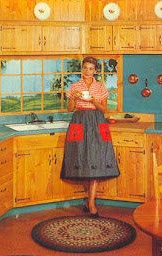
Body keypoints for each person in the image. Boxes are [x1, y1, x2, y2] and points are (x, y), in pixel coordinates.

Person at [60, 56, 120, 217]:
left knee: (96, 159)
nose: (87, 71)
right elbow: (70, 109)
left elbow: (104, 109)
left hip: (96, 122)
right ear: (82, 69)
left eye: (91, 69)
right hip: (79, 121)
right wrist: (74, 98)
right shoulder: (74, 86)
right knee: (81, 159)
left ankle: (91, 202)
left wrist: (93, 100)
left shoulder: (100, 87)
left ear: (95, 71)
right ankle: (88, 199)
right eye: (85, 68)